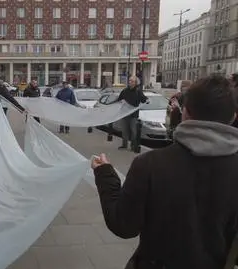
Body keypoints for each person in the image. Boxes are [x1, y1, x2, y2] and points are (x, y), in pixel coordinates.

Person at [92, 76, 238, 269]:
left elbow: (124, 225)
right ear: (233, 116)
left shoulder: (150, 164)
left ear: (185, 112)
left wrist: (105, 174)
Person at [115, 76, 148, 151]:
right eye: (129, 81)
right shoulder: (125, 91)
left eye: (132, 81)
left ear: (135, 83)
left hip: (133, 115)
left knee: (133, 131)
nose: (130, 82)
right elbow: (119, 100)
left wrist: (147, 100)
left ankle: (133, 146)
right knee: (124, 130)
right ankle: (124, 145)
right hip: (124, 114)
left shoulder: (138, 91)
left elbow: (143, 99)